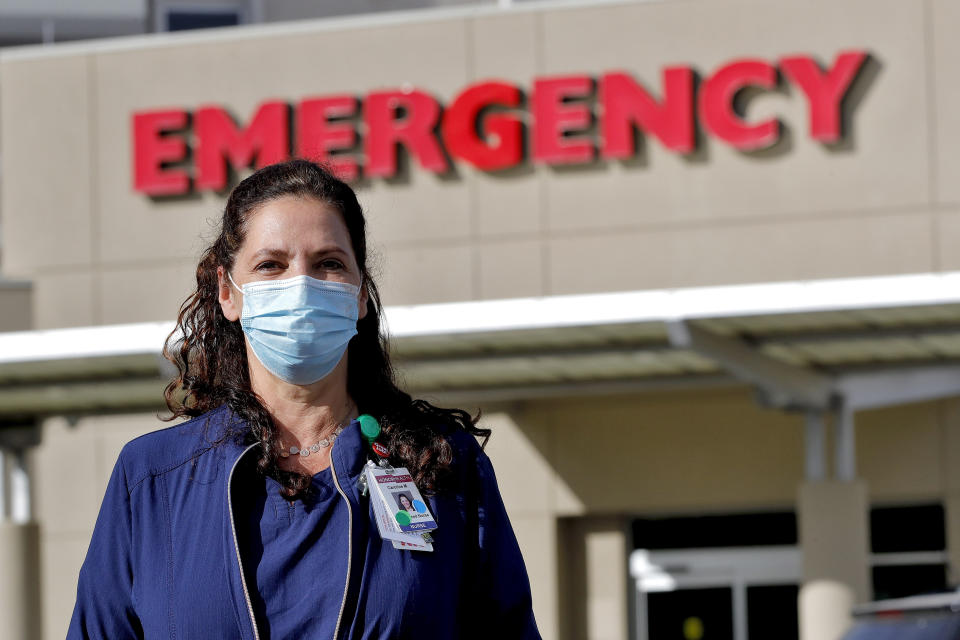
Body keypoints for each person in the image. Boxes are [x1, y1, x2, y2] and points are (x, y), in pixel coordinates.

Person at [68, 160, 541, 639]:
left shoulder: (444, 467)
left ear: (360, 295)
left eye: (328, 264)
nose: (300, 285)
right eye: (270, 265)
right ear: (227, 293)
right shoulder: (151, 480)